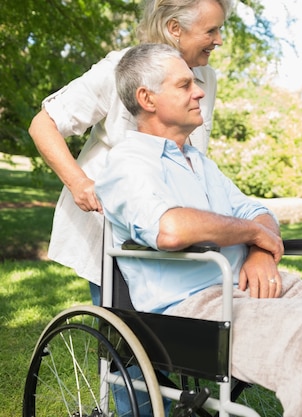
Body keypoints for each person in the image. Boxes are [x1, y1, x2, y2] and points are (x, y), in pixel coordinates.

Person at [95, 43, 302, 417]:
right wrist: (253, 234)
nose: (199, 91)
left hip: (252, 286)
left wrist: (259, 251)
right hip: (194, 309)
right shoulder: (126, 165)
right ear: (147, 98)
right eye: (184, 85)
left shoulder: (197, 161)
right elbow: (171, 229)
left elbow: (257, 212)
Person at [29, 0, 231, 304]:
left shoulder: (206, 79)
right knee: (120, 318)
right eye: (211, 30)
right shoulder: (119, 68)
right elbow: (43, 124)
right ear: (175, 28)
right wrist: (78, 183)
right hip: (111, 217)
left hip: (167, 219)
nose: (219, 40)